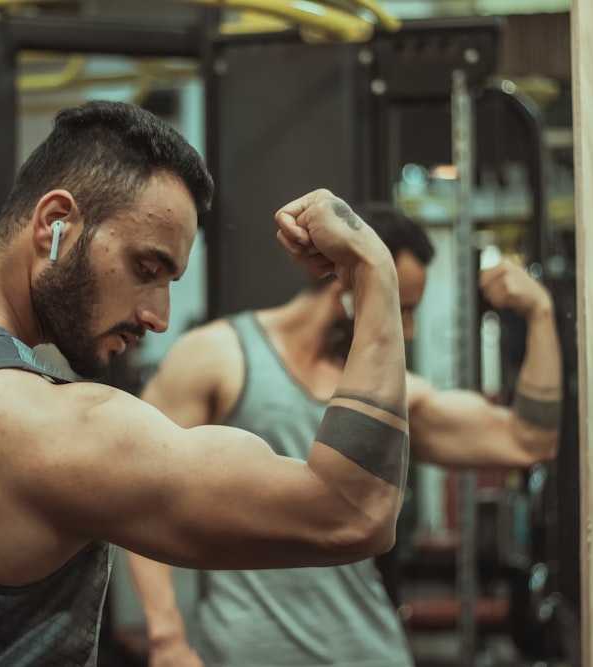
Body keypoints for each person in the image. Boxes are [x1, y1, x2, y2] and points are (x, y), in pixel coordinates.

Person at [0, 100, 414, 667]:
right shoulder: (53, 427)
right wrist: (374, 274)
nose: (157, 317)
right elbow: (354, 512)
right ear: (58, 222)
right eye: (147, 267)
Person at [126, 203, 563, 667]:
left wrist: (539, 314)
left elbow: (527, 440)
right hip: (247, 653)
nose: (407, 329)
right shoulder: (216, 356)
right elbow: (137, 492)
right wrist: (167, 635)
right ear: (351, 285)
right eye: (402, 309)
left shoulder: (389, 400)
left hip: (368, 652)